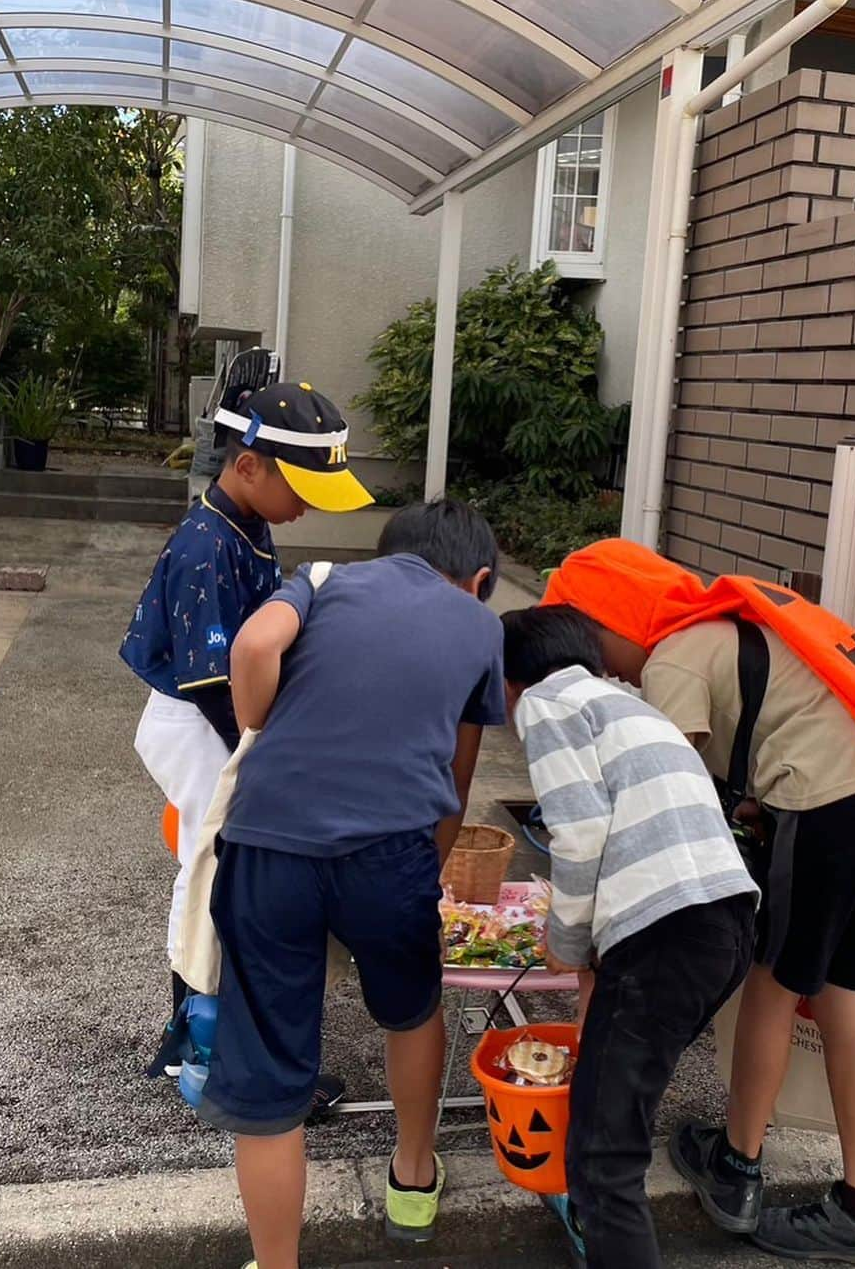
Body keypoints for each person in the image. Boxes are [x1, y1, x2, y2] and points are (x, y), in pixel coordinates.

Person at [539, 539, 855, 1269]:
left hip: (827, 800)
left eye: (590, 643)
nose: (597, 667)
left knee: (773, 981)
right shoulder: (729, 626)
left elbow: (671, 803)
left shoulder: (674, 657)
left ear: (614, 621)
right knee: (844, 999)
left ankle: (737, 1166)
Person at [199, 499, 506, 1269]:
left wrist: (262, 734)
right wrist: (423, 872)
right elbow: (457, 776)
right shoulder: (480, 625)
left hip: (268, 842)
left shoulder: (324, 580)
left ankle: (277, 1265)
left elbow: (253, 646)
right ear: (478, 579)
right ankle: (412, 1176)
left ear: (388, 552)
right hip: (392, 847)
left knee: (271, 1069)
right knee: (411, 1009)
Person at [502, 605, 759, 1269]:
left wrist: (563, 940)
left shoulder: (546, 702)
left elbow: (580, 832)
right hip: (725, 926)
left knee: (601, 1159)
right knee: (613, 1126)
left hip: (666, 936)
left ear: (513, 677)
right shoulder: (633, 706)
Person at [119, 381, 373, 1039]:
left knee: (218, 862)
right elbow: (209, 681)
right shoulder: (206, 545)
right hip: (198, 718)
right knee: (210, 865)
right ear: (249, 465)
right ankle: (193, 1032)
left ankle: (208, 1020)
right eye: (302, 491)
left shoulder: (246, 520)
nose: (305, 510)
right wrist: (261, 747)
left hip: (218, 711)